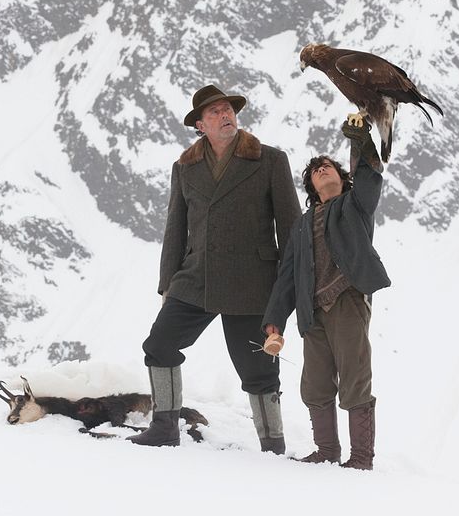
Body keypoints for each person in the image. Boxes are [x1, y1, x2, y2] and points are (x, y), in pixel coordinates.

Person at [129, 85, 301, 452]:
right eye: (215, 113)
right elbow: (175, 230)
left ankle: (273, 445)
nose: (225, 116)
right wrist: (167, 287)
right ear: (200, 126)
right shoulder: (185, 168)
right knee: (159, 345)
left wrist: (289, 291)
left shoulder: (270, 160)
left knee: (258, 371)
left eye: (228, 110)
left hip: (253, 282)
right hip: (195, 279)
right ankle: (164, 427)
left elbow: (291, 230)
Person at [262, 120, 391, 470]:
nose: (322, 170)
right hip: (311, 311)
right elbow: (287, 275)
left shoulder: (355, 205)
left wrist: (360, 139)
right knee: (315, 384)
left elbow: (369, 175)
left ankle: (361, 457)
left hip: (348, 300)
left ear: (341, 176)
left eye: (328, 166)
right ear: (312, 187)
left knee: (355, 377)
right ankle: (327, 451)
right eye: (316, 171)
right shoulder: (301, 225)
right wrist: (275, 319)